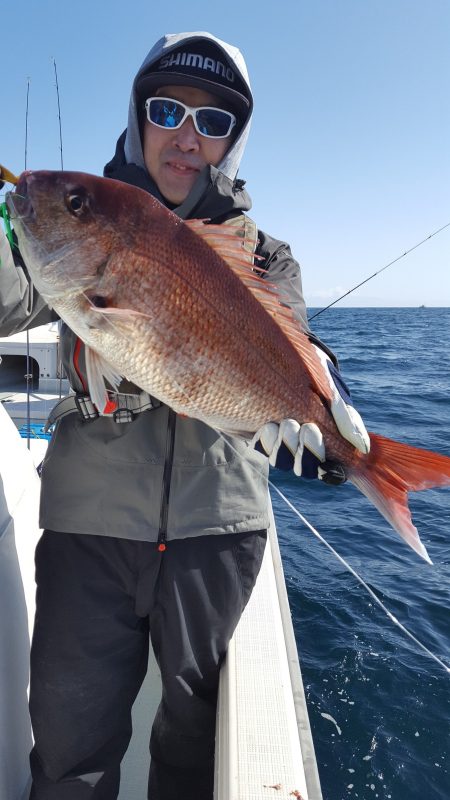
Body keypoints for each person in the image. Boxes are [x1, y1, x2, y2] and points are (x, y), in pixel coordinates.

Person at [0, 31, 369, 800]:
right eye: (167, 110)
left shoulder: (267, 256)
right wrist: (11, 233)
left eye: (214, 121)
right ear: (138, 116)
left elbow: (293, 338)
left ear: (235, 140)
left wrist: (324, 394)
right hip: (89, 529)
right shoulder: (85, 214)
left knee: (193, 751)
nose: (188, 137)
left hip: (217, 532)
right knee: (68, 754)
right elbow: (10, 294)